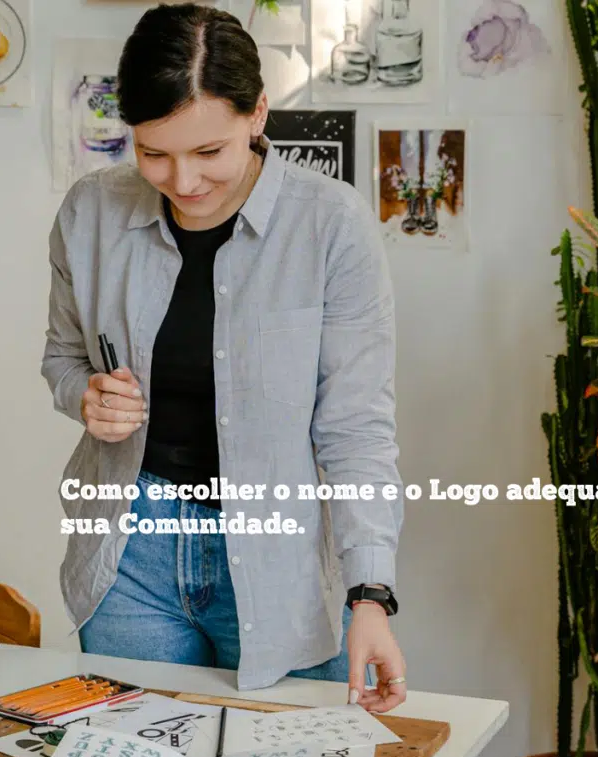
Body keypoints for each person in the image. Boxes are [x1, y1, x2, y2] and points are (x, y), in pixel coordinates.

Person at [41, 2, 406, 708]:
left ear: (258, 114)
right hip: (129, 557)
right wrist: (83, 394)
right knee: (141, 753)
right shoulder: (89, 214)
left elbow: (357, 429)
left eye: (209, 152)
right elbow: (61, 356)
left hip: (279, 557)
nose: (182, 182)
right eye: (154, 153)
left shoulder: (331, 227)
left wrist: (370, 594)